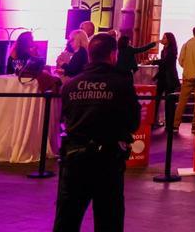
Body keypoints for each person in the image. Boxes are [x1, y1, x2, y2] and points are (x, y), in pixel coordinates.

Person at [53, 33, 140, 232]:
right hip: (107, 159)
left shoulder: (71, 85)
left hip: (74, 158)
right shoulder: (121, 84)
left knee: (67, 218)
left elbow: (65, 118)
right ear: (113, 55)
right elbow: (133, 121)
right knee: (109, 219)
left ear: (90, 55)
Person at [152, 32, 178, 127]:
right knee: (156, 99)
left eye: (164, 38)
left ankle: (169, 124)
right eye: (162, 37)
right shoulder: (163, 51)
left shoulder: (172, 50)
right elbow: (163, 67)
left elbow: (165, 63)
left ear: (169, 40)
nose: (162, 39)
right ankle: (153, 121)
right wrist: (156, 77)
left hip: (170, 79)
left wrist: (152, 61)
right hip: (163, 78)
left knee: (169, 102)